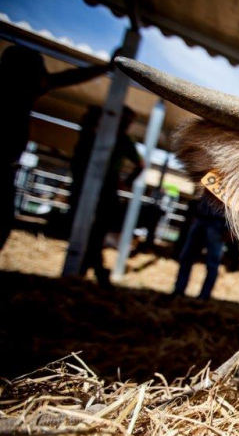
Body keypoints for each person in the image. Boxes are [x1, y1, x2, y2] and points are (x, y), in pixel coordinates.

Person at [0, 45, 116, 251]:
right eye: (40, 77)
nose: (45, 82)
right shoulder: (16, 91)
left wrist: (106, 67)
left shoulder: (22, 88)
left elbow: (66, 77)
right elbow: (65, 78)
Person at [73, 106, 143, 288]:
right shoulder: (97, 134)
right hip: (92, 184)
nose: (126, 125)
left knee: (96, 230)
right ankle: (94, 267)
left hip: (101, 185)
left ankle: (89, 266)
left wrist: (126, 182)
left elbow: (141, 165)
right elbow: (141, 165)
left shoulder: (114, 138)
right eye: (125, 120)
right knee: (90, 229)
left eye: (128, 122)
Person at [172, 199, 227, 300]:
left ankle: (204, 296)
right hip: (201, 218)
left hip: (218, 222)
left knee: (212, 262)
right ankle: (179, 290)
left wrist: (229, 229)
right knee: (186, 257)